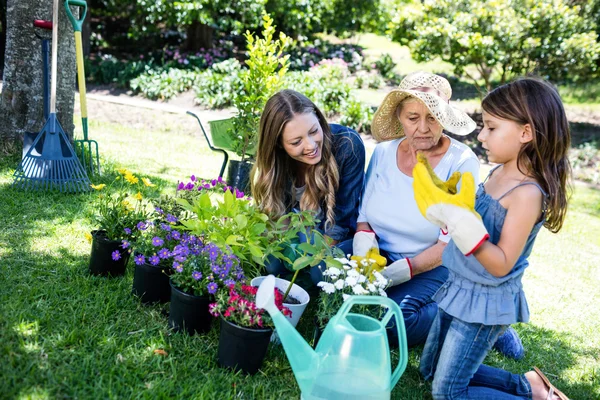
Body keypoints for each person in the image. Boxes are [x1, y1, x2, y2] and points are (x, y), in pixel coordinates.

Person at [415, 77, 571, 399]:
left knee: (447, 394)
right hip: (460, 284)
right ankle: (530, 386)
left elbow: (500, 264)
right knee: (429, 371)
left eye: (491, 127)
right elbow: (474, 220)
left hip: (484, 301)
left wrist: (465, 230)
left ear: (525, 133)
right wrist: (451, 206)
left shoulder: (526, 193)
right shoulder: (498, 171)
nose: (481, 135)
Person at [351, 71, 481, 348]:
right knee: (325, 274)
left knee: (393, 325)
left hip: (433, 266)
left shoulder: (460, 163)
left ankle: (467, 316)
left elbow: (449, 244)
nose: (423, 127)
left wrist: (400, 272)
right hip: (380, 257)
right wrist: (363, 256)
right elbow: (364, 218)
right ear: (400, 117)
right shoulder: (384, 152)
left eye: (432, 117)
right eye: (413, 118)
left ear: (444, 118)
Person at [251, 89, 365, 284]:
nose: (311, 146)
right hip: (301, 227)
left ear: (319, 120)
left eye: (314, 131)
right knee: (272, 264)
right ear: (279, 145)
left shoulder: (347, 145)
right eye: (296, 142)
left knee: (319, 270)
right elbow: (279, 217)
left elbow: (341, 223)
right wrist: (285, 248)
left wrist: (314, 257)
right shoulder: (278, 163)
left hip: (338, 231)